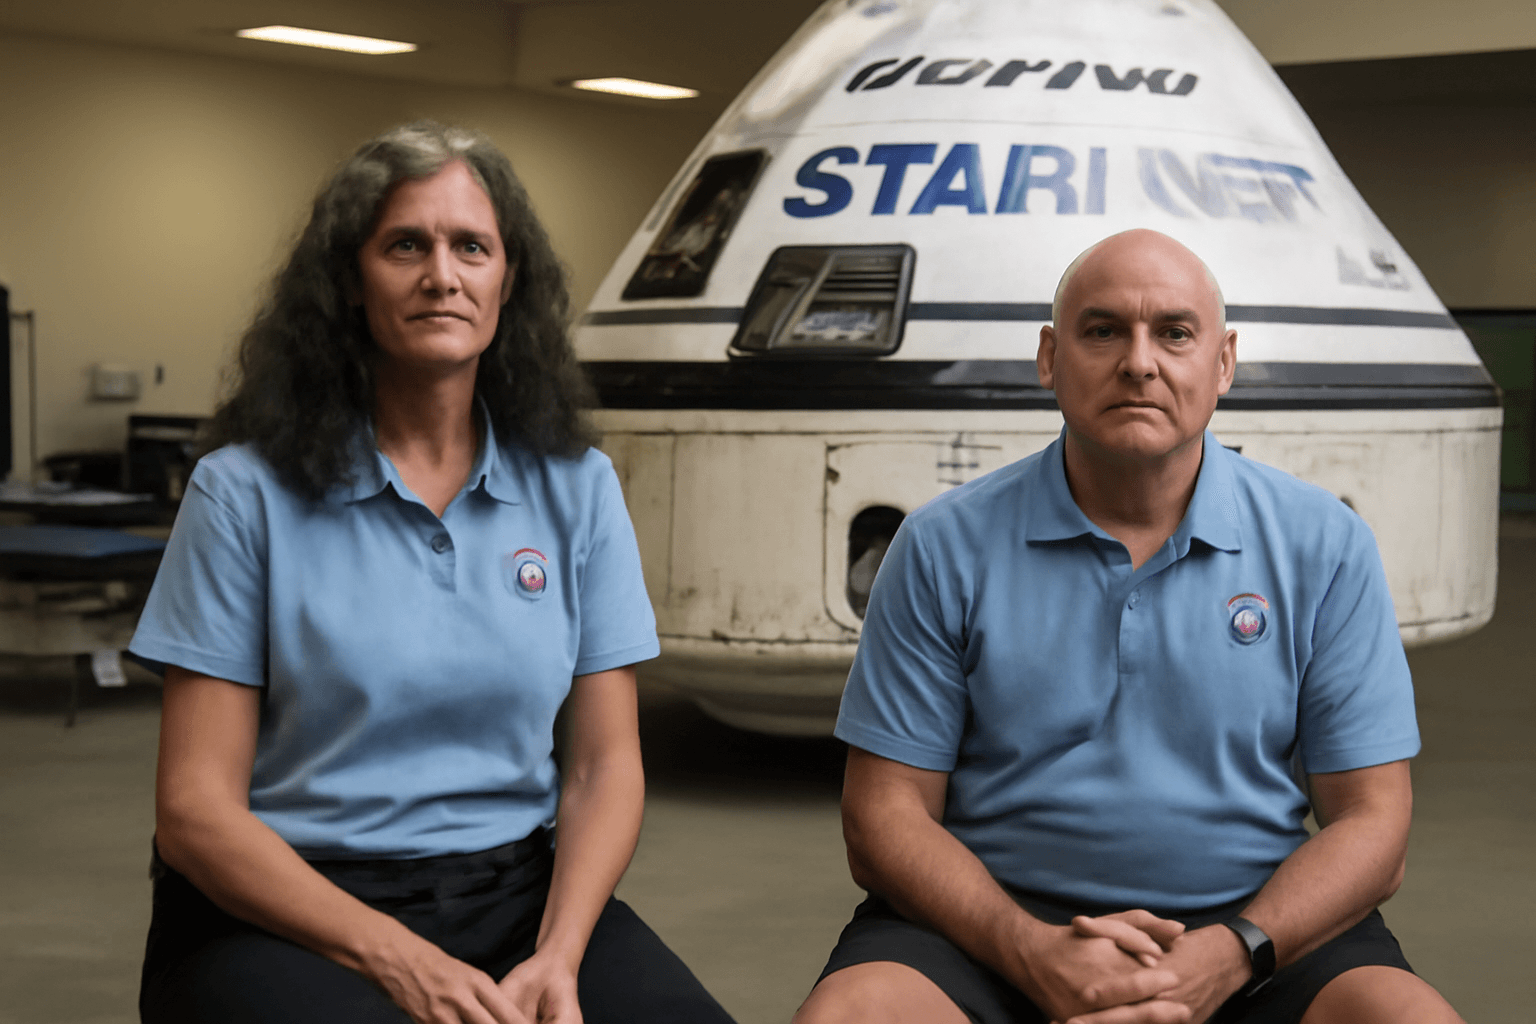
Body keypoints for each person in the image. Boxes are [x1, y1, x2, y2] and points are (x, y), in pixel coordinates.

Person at [128, 121, 735, 1024]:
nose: (441, 275)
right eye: (405, 245)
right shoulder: (241, 493)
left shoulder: (578, 487)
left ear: (507, 281)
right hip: (282, 906)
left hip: (518, 899)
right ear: (349, 279)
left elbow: (604, 770)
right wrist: (400, 961)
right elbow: (194, 811)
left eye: (472, 248)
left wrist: (560, 957)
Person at [794, 229, 1465, 1024]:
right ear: (1050, 358)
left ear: (1223, 363)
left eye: (1174, 333)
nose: (1139, 362)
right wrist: (1028, 950)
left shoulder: (1323, 545)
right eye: (1103, 330)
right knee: (852, 1015)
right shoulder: (944, 545)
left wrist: (1233, 951)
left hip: (1257, 935)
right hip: (989, 930)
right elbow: (882, 815)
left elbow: (1375, 821)